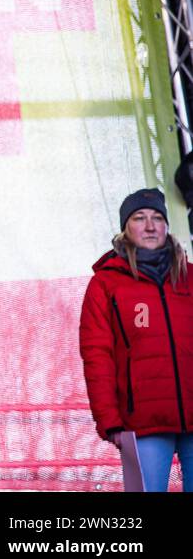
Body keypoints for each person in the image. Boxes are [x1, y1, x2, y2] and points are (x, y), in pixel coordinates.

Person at [79, 188, 193, 491]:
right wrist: (109, 419)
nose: (151, 225)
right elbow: (96, 355)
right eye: (140, 218)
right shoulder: (105, 283)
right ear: (125, 228)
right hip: (141, 421)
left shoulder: (190, 276)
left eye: (158, 218)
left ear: (168, 226)